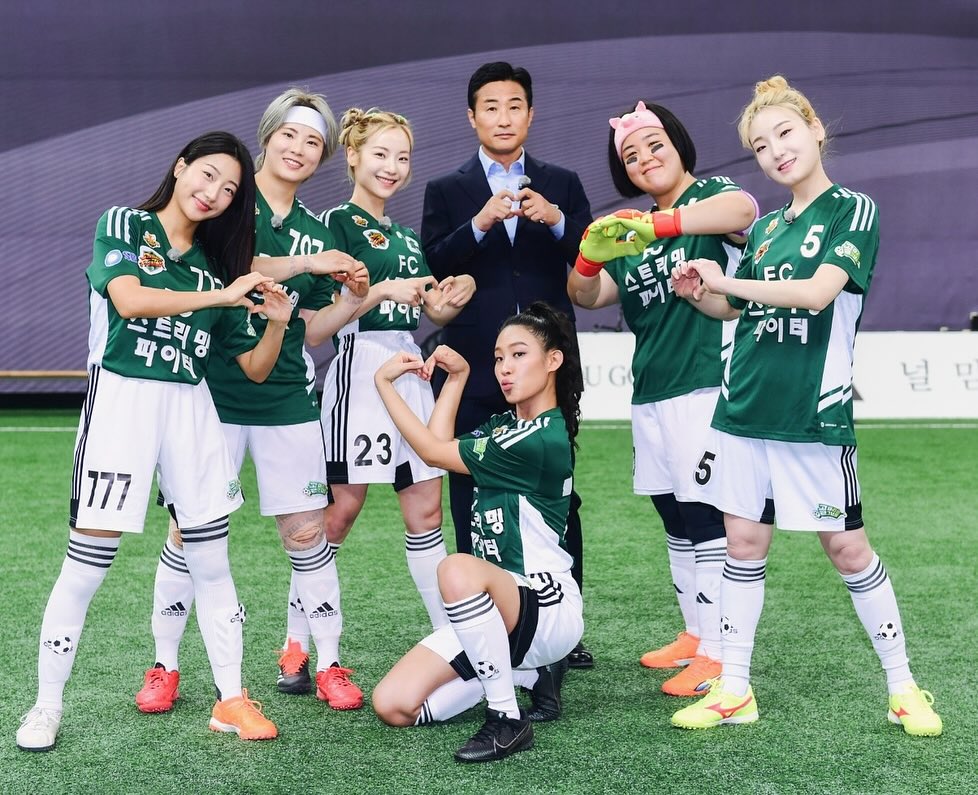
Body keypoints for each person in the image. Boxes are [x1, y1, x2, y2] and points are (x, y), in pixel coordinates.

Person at [667, 75, 942, 736]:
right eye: (761, 147)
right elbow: (735, 309)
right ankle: (735, 689)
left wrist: (728, 280)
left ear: (816, 129)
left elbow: (818, 293)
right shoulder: (764, 229)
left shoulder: (854, 210)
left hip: (811, 417)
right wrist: (700, 291)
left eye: (785, 134)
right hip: (744, 410)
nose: (776, 152)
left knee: (847, 548)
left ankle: (903, 687)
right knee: (742, 543)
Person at [17, 131, 294, 751]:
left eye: (230, 190)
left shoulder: (213, 268)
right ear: (180, 166)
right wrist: (224, 293)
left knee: (212, 561)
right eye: (208, 175)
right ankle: (46, 705)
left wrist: (275, 325)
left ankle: (230, 700)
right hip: (123, 402)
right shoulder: (125, 223)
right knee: (86, 565)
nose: (214, 193)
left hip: (190, 407)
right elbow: (129, 300)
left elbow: (253, 367)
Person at [131, 90, 371, 716]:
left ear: (323, 156)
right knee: (188, 531)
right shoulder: (228, 201)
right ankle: (165, 664)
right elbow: (242, 263)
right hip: (208, 393)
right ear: (266, 137)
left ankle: (328, 661)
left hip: (285, 396)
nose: (299, 149)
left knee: (307, 532)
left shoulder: (317, 227)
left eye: (313, 141)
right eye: (289, 134)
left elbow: (311, 329)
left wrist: (352, 300)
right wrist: (313, 261)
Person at [567, 101, 758, 696]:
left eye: (655, 145)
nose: (645, 159)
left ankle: (720, 654)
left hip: (707, 384)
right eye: (631, 155)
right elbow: (586, 295)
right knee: (673, 514)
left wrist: (662, 225)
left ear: (678, 144)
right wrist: (590, 254)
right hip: (652, 390)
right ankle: (696, 634)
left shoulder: (709, 198)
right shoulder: (636, 229)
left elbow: (745, 210)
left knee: (706, 518)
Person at [421, 60, 593, 668]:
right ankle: (482, 624)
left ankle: (563, 630)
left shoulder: (562, 182)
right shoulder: (447, 190)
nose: (503, 117)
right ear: (472, 117)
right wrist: (481, 222)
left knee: (557, 495)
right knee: (470, 491)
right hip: (474, 364)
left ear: (531, 114)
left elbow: (593, 253)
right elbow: (433, 262)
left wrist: (557, 219)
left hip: (546, 369)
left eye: (514, 105)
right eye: (490, 107)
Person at [371, 302, 584, 762]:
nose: (505, 368)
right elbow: (439, 444)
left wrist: (383, 384)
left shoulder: (540, 438)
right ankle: (528, 675)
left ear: (553, 360)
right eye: (499, 357)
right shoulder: (509, 425)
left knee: (456, 569)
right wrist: (458, 378)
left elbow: (431, 451)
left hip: (545, 605)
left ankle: (506, 717)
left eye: (519, 355)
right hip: (496, 611)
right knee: (393, 705)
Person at [308, 107, 476, 683]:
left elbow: (428, 308)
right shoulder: (333, 223)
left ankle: (455, 643)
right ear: (352, 156)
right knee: (340, 512)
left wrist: (451, 297)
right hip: (360, 369)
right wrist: (380, 291)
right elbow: (321, 318)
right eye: (380, 154)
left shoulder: (405, 236)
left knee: (426, 510)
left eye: (402, 157)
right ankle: (299, 643)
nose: (393, 167)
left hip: (411, 370)